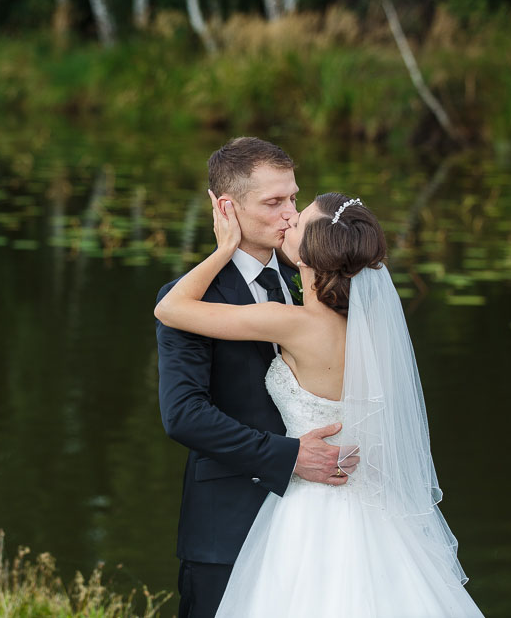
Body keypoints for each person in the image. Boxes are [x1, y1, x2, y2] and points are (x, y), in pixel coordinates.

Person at [154, 187, 484, 617]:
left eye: (300, 217)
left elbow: (171, 308)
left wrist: (225, 249)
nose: (288, 218)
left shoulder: (293, 323)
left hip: (308, 509)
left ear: (311, 255)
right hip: (370, 510)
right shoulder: (372, 332)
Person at [155, 137, 361, 618]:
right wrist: (290, 457)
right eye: (274, 202)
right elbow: (183, 415)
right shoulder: (191, 299)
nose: (290, 214)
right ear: (227, 208)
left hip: (324, 524)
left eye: (293, 197)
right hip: (227, 528)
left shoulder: (315, 276)